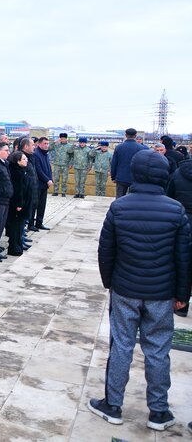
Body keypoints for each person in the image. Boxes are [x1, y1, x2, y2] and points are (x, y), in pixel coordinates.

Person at [89, 149, 191, 432]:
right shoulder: (175, 210)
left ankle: (113, 405)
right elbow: (184, 257)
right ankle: (159, 411)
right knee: (158, 350)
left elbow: (105, 250)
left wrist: (110, 282)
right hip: (161, 293)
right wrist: (183, 294)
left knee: (121, 346)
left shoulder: (120, 207)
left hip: (125, 289)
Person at [6, 151, 32, 256]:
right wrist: (19, 204)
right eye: (24, 159)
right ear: (18, 161)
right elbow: (18, 190)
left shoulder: (22, 170)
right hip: (18, 206)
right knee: (16, 227)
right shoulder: (16, 172)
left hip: (24, 203)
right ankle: (14, 247)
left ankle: (18, 245)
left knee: (20, 227)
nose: (26, 161)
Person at [110, 128, 147, 198]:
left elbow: (114, 163)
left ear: (126, 135)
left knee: (119, 198)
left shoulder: (119, 147)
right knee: (133, 199)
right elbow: (144, 164)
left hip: (121, 177)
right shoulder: (142, 148)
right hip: (136, 178)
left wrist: (113, 177)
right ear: (135, 136)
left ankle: (118, 209)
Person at [32, 137, 53, 228]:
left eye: (47, 143)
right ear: (39, 144)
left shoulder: (46, 154)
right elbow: (38, 170)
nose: (46, 145)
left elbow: (48, 168)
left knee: (42, 205)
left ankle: (39, 223)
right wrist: (47, 179)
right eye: (45, 143)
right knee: (34, 205)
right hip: (38, 184)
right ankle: (31, 224)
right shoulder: (36, 154)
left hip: (44, 185)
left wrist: (51, 178)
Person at [48, 132, 73, 197]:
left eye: (64, 138)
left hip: (65, 164)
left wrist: (71, 163)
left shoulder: (70, 146)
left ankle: (63, 192)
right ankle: (55, 191)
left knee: (64, 179)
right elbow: (49, 148)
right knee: (56, 179)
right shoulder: (56, 145)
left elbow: (72, 156)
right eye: (61, 138)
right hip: (57, 164)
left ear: (66, 139)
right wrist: (55, 142)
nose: (62, 140)